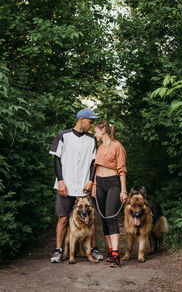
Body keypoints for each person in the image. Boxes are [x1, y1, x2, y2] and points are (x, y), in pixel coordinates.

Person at [49, 108, 103, 263]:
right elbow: (56, 159)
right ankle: (58, 250)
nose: (92, 125)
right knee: (63, 218)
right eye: (90, 121)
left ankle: (93, 249)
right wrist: (60, 181)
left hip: (84, 186)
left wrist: (91, 180)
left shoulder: (91, 139)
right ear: (81, 119)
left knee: (90, 218)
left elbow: (94, 162)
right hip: (66, 184)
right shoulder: (63, 136)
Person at [92, 121, 127, 267]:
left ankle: (116, 254)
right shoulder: (99, 147)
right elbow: (96, 167)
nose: (94, 134)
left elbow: (122, 169)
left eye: (96, 132)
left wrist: (123, 190)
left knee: (111, 217)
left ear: (103, 131)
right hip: (99, 183)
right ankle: (110, 251)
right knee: (104, 218)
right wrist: (94, 184)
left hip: (113, 183)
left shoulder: (117, 146)